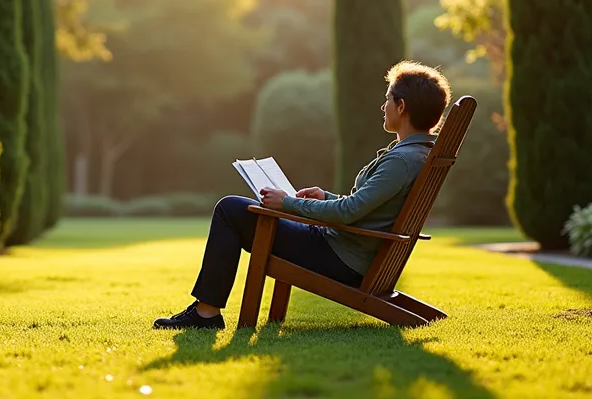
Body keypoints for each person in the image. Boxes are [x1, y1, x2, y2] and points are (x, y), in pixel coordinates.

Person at [153, 61, 452, 330]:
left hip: (340, 259)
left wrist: (289, 204)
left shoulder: (402, 160)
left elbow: (350, 212)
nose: (382, 107)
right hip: (348, 251)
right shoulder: (417, 154)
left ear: (401, 107)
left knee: (230, 209)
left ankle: (206, 314)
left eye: (387, 99)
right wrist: (325, 196)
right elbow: (366, 207)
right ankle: (206, 311)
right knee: (237, 210)